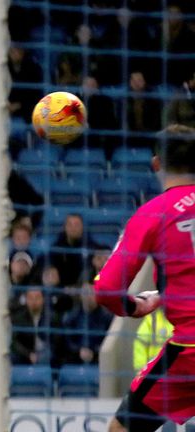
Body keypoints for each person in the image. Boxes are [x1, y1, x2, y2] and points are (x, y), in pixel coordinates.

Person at [94, 126, 195, 431]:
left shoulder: (153, 214)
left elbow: (107, 289)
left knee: (121, 429)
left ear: (155, 164)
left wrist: (133, 307)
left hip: (191, 351)